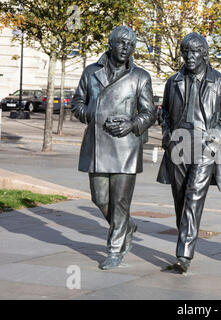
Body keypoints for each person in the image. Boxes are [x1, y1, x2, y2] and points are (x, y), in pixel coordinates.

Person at [71, 26, 157, 270]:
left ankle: (115, 249)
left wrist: (132, 123)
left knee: (120, 202)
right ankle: (126, 226)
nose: (125, 48)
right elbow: (77, 102)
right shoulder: (91, 72)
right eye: (121, 43)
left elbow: (150, 113)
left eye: (130, 45)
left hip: (126, 147)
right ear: (110, 44)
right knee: (99, 198)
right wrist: (91, 113)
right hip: (97, 144)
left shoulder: (140, 77)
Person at [156, 32, 221, 274]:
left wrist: (213, 140)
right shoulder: (174, 81)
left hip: (204, 146)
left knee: (193, 197)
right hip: (178, 145)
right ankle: (185, 242)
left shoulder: (219, 82)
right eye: (186, 52)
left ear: (204, 54)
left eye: (195, 52)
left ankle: (184, 254)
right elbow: (165, 113)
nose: (190, 57)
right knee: (180, 198)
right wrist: (168, 135)